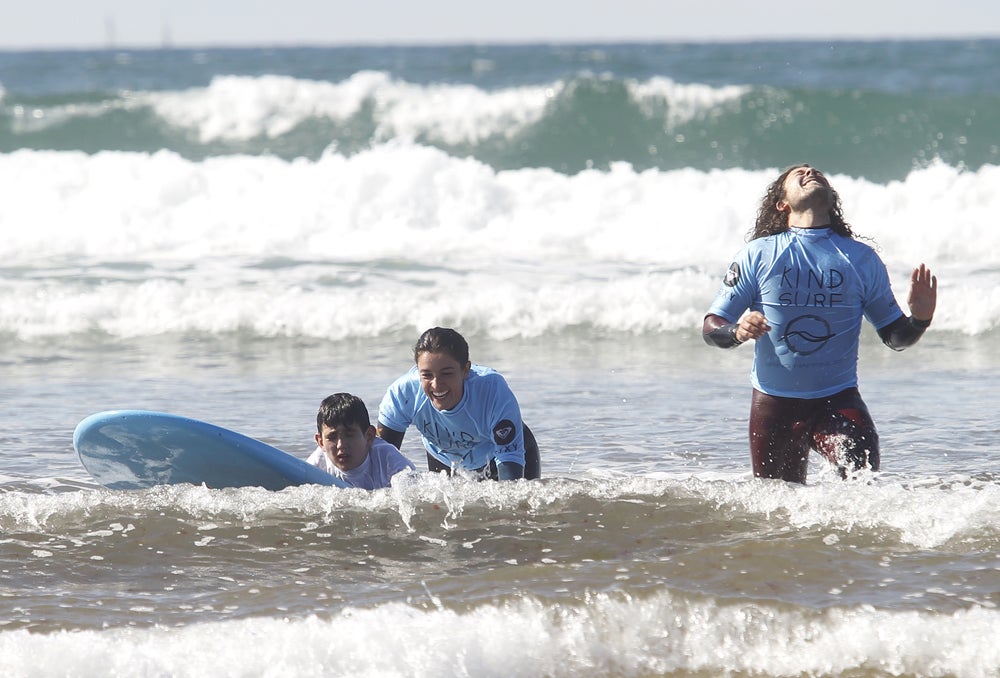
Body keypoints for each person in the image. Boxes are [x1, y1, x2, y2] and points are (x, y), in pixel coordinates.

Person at [703, 164, 937, 484]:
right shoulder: (758, 255)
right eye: (798, 172)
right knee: (777, 512)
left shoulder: (860, 259)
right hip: (774, 405)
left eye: (816, 172)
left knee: (861, 484)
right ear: (781, 203)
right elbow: (712, 327)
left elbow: (895, 337)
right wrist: (738, 330)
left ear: (831, 199)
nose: (810, 170)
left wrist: (920, 319)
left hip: (837, 400)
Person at [376, 327, 540, 481]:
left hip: (502, 455)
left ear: (465, 370)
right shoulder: (402, 394)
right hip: (444, 459)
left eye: (446, 373)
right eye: (426, 375)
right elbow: (378, 464)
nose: (436, 384)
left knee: (514, 508)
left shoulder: (492, 391)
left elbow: (510, 465)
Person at [307, 392, 415, 490]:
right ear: (320, 442)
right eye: (332, 437)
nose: (341, 445)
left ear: (369, 436)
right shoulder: (316, 466)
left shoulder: (389, 460)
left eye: (349, 435)